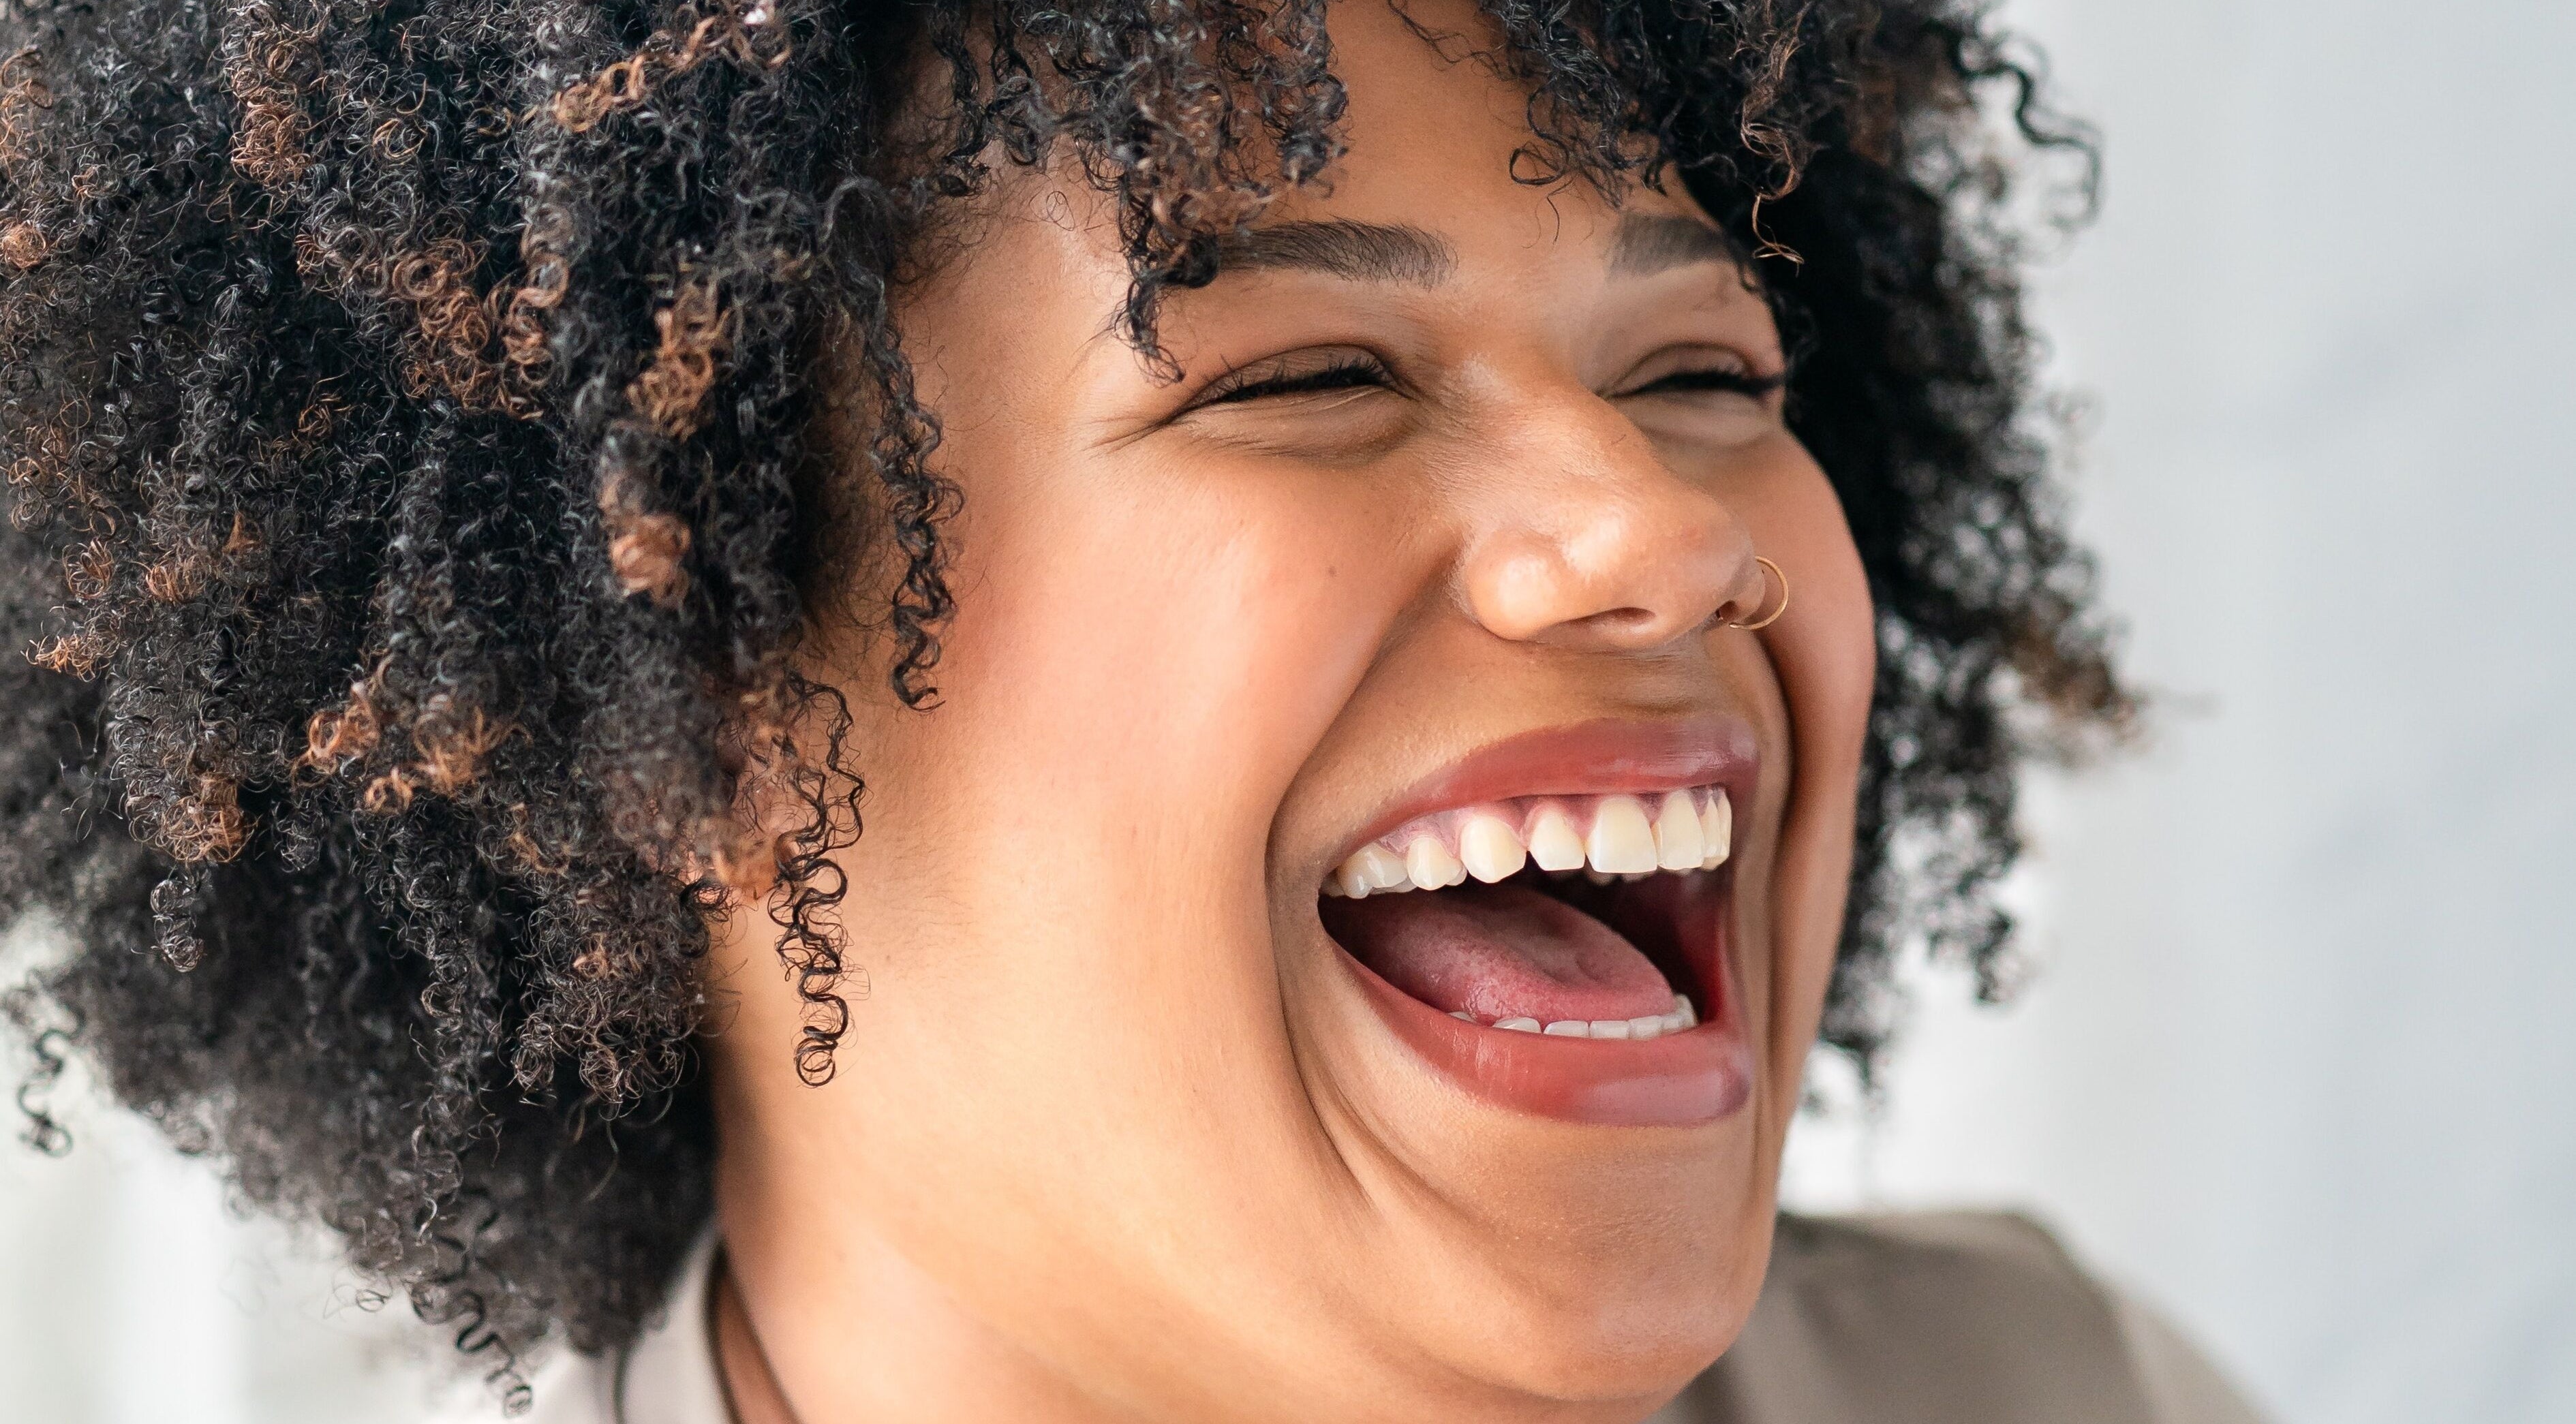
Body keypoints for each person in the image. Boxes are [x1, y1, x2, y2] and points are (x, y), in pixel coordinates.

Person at [0, 0, 2265, 1419]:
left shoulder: (2048, 1386)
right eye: (1307, 377)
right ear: (677, 715)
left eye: (1704, 373)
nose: (1668, 529)